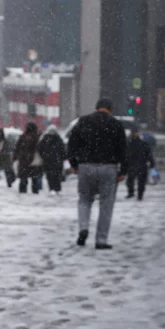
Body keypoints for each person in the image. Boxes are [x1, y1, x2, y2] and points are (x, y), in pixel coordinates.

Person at [67, 98, 126, 249]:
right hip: (108, 167)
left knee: (84, 200)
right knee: (106, 204)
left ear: (96, 108)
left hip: (86, 166)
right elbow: (123, 149)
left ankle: (83, 228)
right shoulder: (116, 124)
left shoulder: (83, 121)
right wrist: (123, 170)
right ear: (110, 109)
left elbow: (72, 144)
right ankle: (101, 240)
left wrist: (73, 164)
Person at [124, 127, 155, 201]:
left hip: (133, 164)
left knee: (131, 180)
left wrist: (125, 164)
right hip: (141, 165)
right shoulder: (143, 144)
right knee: (140, 181)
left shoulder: (129, 144)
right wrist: (152, 163)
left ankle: (132, 193)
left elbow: (125, 155)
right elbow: (149, 155)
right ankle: (139, 195)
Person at [14, 122, 42, 194]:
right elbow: (41, 149)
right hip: (34, 160)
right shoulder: (37, 137)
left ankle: (23, 191)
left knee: (23, 177)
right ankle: (35, 191)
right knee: (34, 177)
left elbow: (17, 148)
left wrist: (15, 157)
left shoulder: (23, 137)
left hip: (24, 160)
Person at [38, 125, 67, 194]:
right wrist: (62, 157)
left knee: (50, 175)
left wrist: (44, 156)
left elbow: (40, 149)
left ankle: (52, 188)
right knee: (56, 175)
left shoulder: (45, 139)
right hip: (57, 161)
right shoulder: (58, 139)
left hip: (48, 161)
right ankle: (57, 188)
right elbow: (63, 150)